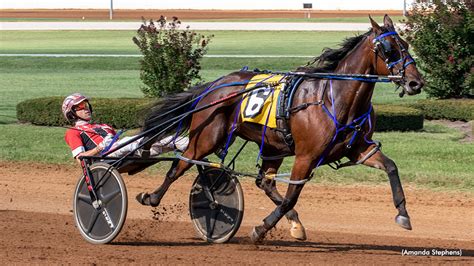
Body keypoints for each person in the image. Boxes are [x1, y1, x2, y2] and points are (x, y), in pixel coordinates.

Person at [62, 93, 188, 163]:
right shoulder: (73, 132)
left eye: (86, 105)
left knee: (169, 139)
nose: (86, 108)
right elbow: (80, 159)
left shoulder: (102, 126)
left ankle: (194, 151)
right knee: (132, 141)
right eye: (80, 107)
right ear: (71, 113)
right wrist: (99, 148)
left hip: (123, 150)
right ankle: (142, 146)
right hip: (105, 156)